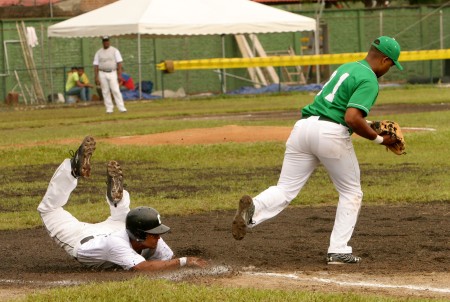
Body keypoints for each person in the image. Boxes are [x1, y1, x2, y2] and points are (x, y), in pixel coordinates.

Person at [231, 36, 403, 264]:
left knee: (285, 188)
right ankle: (338, 250)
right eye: (391, 64)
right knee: (351, 192)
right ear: (384, 59)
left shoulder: (347, 67)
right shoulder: (370, 79)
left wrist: (369, 126)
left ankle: (254, 207)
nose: (389, 69)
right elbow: (352, 117)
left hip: (303, 128)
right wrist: (380, 139)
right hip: (330, 133)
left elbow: (338, 109)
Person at [38, 136, 208, 271]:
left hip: (118, 229)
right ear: (140, 235)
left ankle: (116, 199)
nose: (158, 237)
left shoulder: (150, 239)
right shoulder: (117, 245)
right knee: (49, 210)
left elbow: (167, 263)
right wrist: (185, 261)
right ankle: (74, 170)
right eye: (154, 233)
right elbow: (144, 267)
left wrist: (180, 263)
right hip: (81, 238)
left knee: (124, 217)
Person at [93, 36, 127, 113]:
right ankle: (109, 108)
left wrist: (119, 75)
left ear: (109, 42)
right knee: (105, 91)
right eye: (104, 41)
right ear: (102, 42)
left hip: (112, 72)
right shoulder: (98, 52)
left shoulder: (115, 51)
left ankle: (121, 107)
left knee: (115, 90)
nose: (106, 42)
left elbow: (119, 63)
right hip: (102, 72)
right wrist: (96, 77)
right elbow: (96, 65)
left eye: (107, 41)